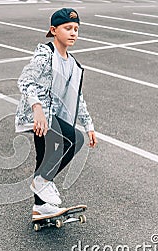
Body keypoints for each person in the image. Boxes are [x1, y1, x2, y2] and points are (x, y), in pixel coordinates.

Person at [14, 8, 97, 219]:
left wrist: (89, 125)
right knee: (74, 139)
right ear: (54, 30)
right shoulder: (45, 54)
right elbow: (25, 80)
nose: (73, 33)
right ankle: (42, 182)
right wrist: (37, 109)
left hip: (56, 118)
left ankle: (40, 207)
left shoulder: (73, 64)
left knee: (45, 160)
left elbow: (77, 97)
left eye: (76, 29)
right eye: (67, 28)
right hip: (42, 118)